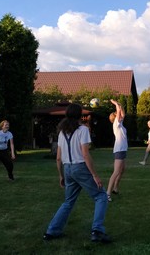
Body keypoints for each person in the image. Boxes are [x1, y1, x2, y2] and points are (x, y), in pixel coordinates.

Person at [43, 103, 110, 243]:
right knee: (101, 196)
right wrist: (95, 175)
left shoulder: (62, 132)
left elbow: (58, 157)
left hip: (67, 169)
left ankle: (52, 230)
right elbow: (85, 155)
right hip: (80, 168)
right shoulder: (83, 130)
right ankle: (97, 231)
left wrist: (61, 175)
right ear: (80, 115)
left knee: (68, 201)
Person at [106, 99, 128, 202]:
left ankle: (115, 188)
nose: (120, 115)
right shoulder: (116, 124)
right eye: (117, 114)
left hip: (122, 150)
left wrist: (119, 105)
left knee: (122, 170)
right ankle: (107, 194)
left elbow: (122, 112)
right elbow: (119, 111)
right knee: (116, 172)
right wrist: (115, 104)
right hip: (119, 150)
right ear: (115, 117)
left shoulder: (120, 124)